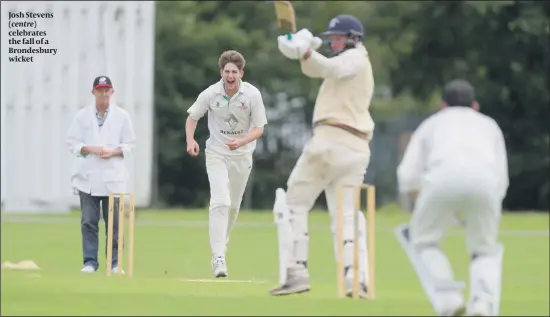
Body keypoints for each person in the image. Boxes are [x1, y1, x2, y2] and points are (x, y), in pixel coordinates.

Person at [270, 15, 375, 298]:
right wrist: (305, 53)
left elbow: (327, 67)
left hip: (331, 142)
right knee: (345, 215)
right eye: (332, 39)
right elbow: (317, 70)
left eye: (339, 38)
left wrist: (305, 51)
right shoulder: (352, 61)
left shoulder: (355, 59)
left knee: (294, 203)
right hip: (355, 150)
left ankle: (296, 272)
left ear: (354, 38)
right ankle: (355, 279)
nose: (334, 42)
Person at [394, 79, 508, 316]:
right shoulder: (489, 124)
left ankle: (449, 298)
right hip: (486, 182)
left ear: (442, 105)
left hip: (440, 180)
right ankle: (483, 304)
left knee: (423, 241)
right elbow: (501, 177)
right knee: (484, 249)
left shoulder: (432, 123)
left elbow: (407, 176)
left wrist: (434, 206)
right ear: (475, 105)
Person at [185, 50, 268, 278]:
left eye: (234, 72)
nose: (230, 76)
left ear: (241, 73)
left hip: (242, 155)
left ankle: (222, 244)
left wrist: (241, 141)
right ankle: (218, 256)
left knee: (233, 206)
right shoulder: (211, 93)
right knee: (220, 201)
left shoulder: (252, 95)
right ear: (221, 72)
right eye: (226, 72)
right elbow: (192, 117)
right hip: (217, 153)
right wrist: (190, 139)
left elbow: (259, 128)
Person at [66, 76, 136, 274]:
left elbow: (130, 144)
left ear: (112, 92)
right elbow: (72, 143)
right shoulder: (82, 116)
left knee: (114, 224)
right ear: (93, 92)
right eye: (100, 90)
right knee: (89, 221)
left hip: (113, 177)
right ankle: (90, 262)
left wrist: (112, 152)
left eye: (107, 90)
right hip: (87, 176)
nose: (103, 94)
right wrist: (91, 148)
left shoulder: (122, 116)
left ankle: (114, 263)